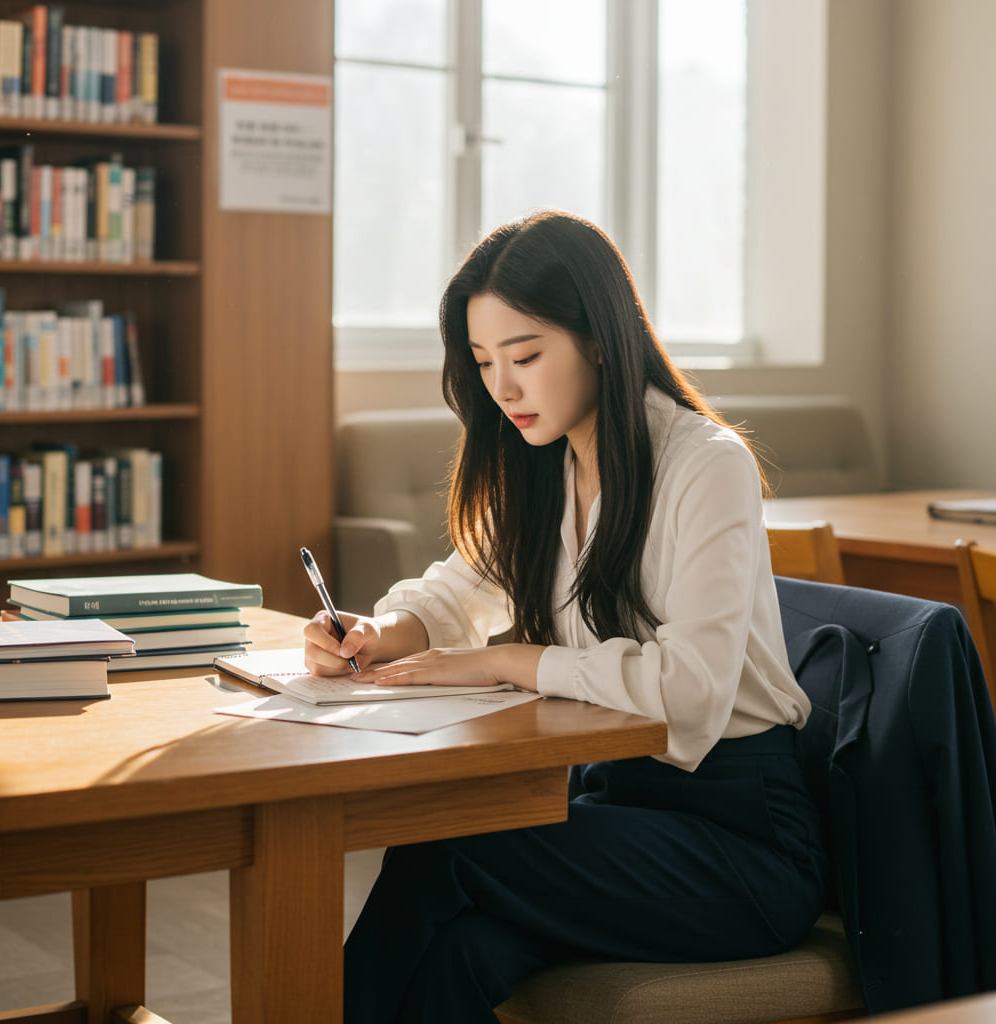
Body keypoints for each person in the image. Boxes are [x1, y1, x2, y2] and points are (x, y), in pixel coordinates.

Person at [304, 210, 828, 1024]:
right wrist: (379, 634)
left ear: (600, 339)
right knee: (459, 950)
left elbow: (691, 694)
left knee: (445, 844)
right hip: (618, 815)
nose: (503, 387)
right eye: (483, 363)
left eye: (525, 356)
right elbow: (461, 587)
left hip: (742, 850)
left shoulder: (705, 465)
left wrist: (512, 661)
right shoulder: (546, 463)